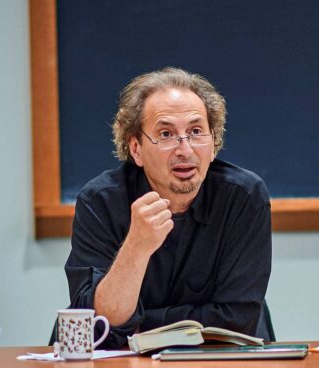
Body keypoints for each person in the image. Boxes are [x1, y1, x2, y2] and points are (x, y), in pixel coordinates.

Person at [64, 67, 272, 348]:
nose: (185, 150)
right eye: (166, 134)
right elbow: (99, 323)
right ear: (136, 148)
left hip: (218, 358)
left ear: (213, 144)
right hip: (120, 364)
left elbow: (236, 319)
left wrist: (138, 324)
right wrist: (136, 247)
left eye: (196, 132)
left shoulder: (243, 197)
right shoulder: (100, 201)